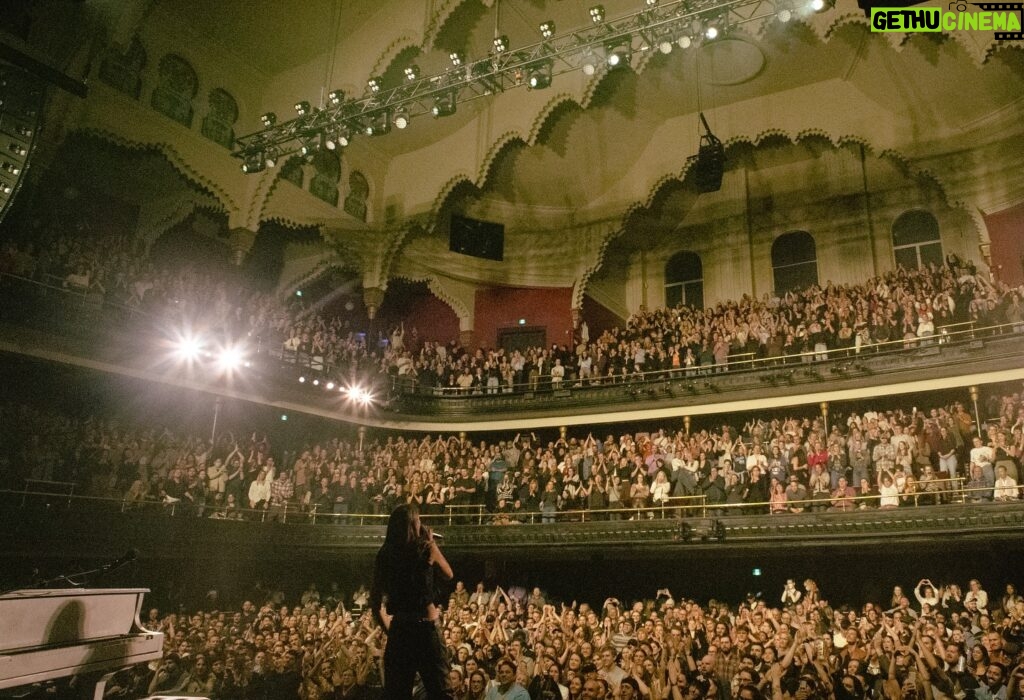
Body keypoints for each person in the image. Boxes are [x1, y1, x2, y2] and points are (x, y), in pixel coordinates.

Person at [369, 503, 454, 700]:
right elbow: (448, 574)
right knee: (441, 693)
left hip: (400, 629)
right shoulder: (424, 548)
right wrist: (431, 546)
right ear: (413, 525)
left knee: (397, 694)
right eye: (419, 520)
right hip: (426, 629)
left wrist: (389, 629)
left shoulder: (385, 554)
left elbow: (374, 600)